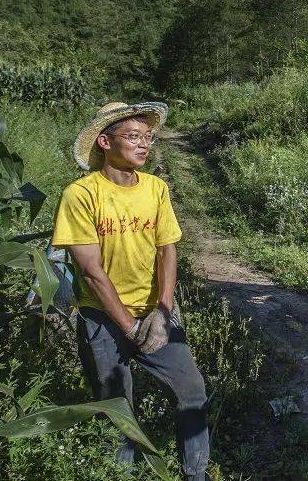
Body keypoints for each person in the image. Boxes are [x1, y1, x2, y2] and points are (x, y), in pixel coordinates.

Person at [52, 101, 209, 481]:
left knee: (192, 392)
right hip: (103, 319)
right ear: (105, 142)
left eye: (148, 137)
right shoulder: (82, 194)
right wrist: (128, 326)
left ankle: (197, 473)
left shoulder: (155, 188)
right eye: (133, 136)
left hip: (154, 313)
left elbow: (166, 249)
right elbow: (90, 272)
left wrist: (164, 310)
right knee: (117, 409)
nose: (145, 145)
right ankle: (123, 474)